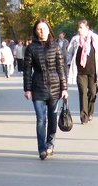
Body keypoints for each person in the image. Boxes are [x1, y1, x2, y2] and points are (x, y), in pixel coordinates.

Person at [22, 20, 68, 160]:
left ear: (49, 30)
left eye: (44, 29)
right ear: (35, 31)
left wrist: (64, 88)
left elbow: (61, 68)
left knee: (52, 118)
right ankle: (41, 148)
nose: (41, 31)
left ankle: (50, 144)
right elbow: (27, 70)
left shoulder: (55, 47)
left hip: (55, 88)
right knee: (41, 119)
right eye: (39, 29)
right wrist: (27, 89)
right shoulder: (31, 48)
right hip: (38, 88)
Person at [65, 20, 98, 124]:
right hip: (80, 72)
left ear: (87, 28)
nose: (79, 30)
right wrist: (69, 63)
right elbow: (69, 52)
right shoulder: (75, 40)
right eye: (78, 28)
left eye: (81, 28)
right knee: (83, 92)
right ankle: (83, 116)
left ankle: (90, 112)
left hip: (93, 71)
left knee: (93, 92)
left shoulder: (95, 38)